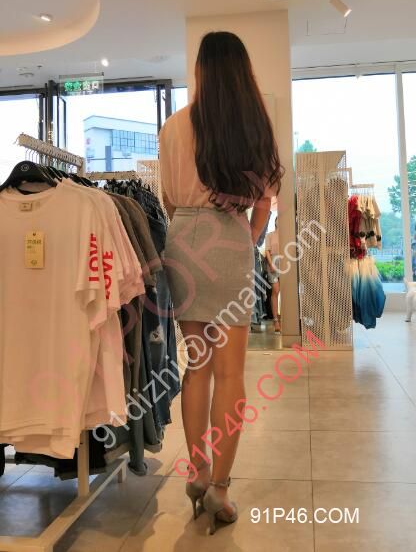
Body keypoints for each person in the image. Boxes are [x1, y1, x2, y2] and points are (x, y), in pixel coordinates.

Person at [158, 31, 284, 535]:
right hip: (230, 239)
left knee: (198, 368)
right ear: (242, 72)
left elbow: (168, 199)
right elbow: (265, 201)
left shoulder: (173, 126)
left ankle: (197, 472)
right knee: (231, 374)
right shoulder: (253, 125)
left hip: (184, 241)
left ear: (201, 71)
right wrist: (247, 238)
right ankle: (221, 489)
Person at [265, 216, 281, 333]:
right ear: (275, 221)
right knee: (275, 291)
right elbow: (267, 250)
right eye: (277, 219)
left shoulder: (288, 234)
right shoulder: (270, 235)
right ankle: (275, 320)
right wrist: (271, 264)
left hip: (286, 263)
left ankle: (285, 319)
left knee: (286, 293)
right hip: (273, 263)